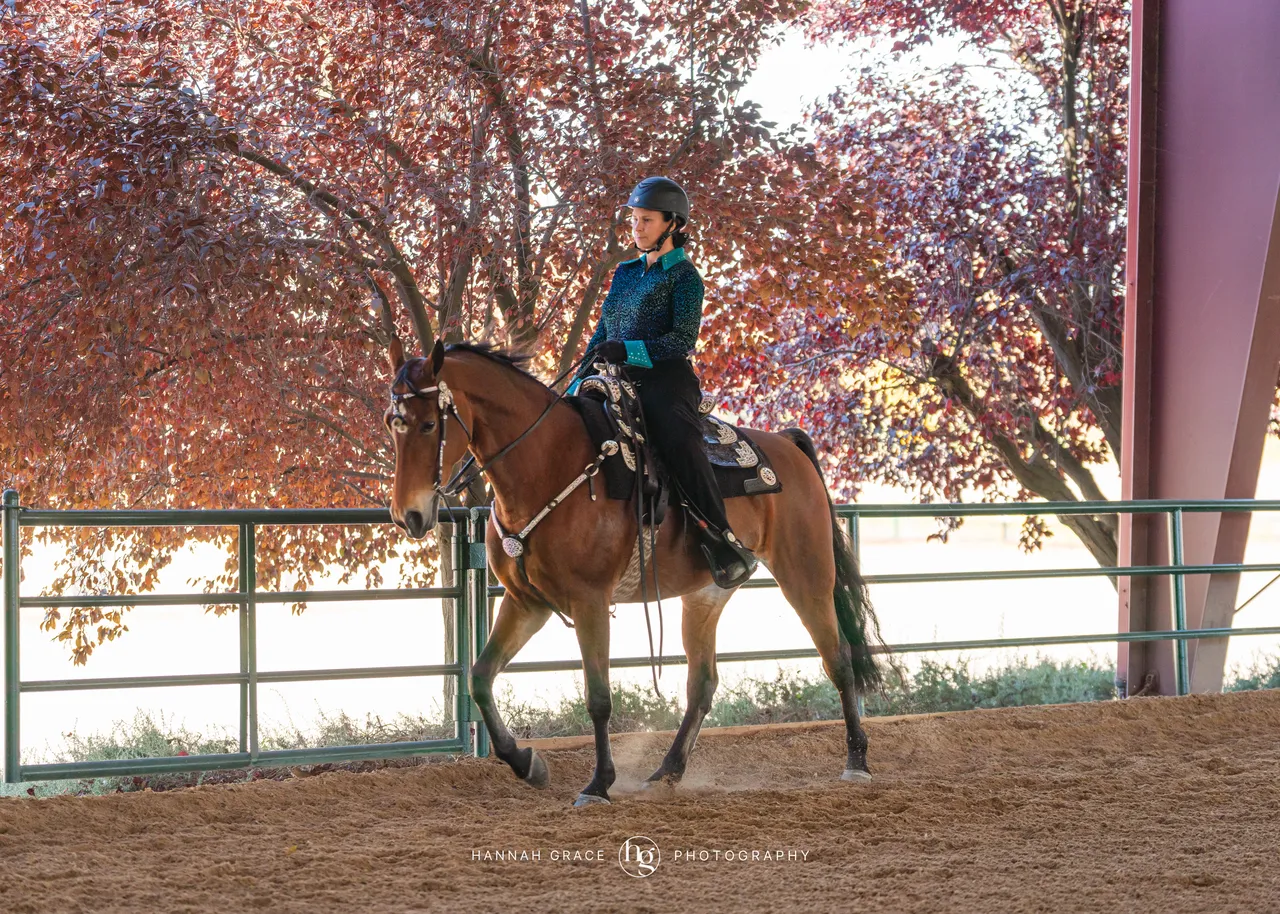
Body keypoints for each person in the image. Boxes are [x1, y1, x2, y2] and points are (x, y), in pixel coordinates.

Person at [567, 176, 758, 589]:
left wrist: (629, 350)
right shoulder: (624, 272)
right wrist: (574, 384)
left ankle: (721, 537)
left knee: (677, 437)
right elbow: (602, 333)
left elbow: (681, 341)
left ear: (673, 224)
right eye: (634, 219)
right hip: (612, 376)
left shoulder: (685, 277)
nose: (637, 227)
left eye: (647, 220)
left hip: (665, 379)